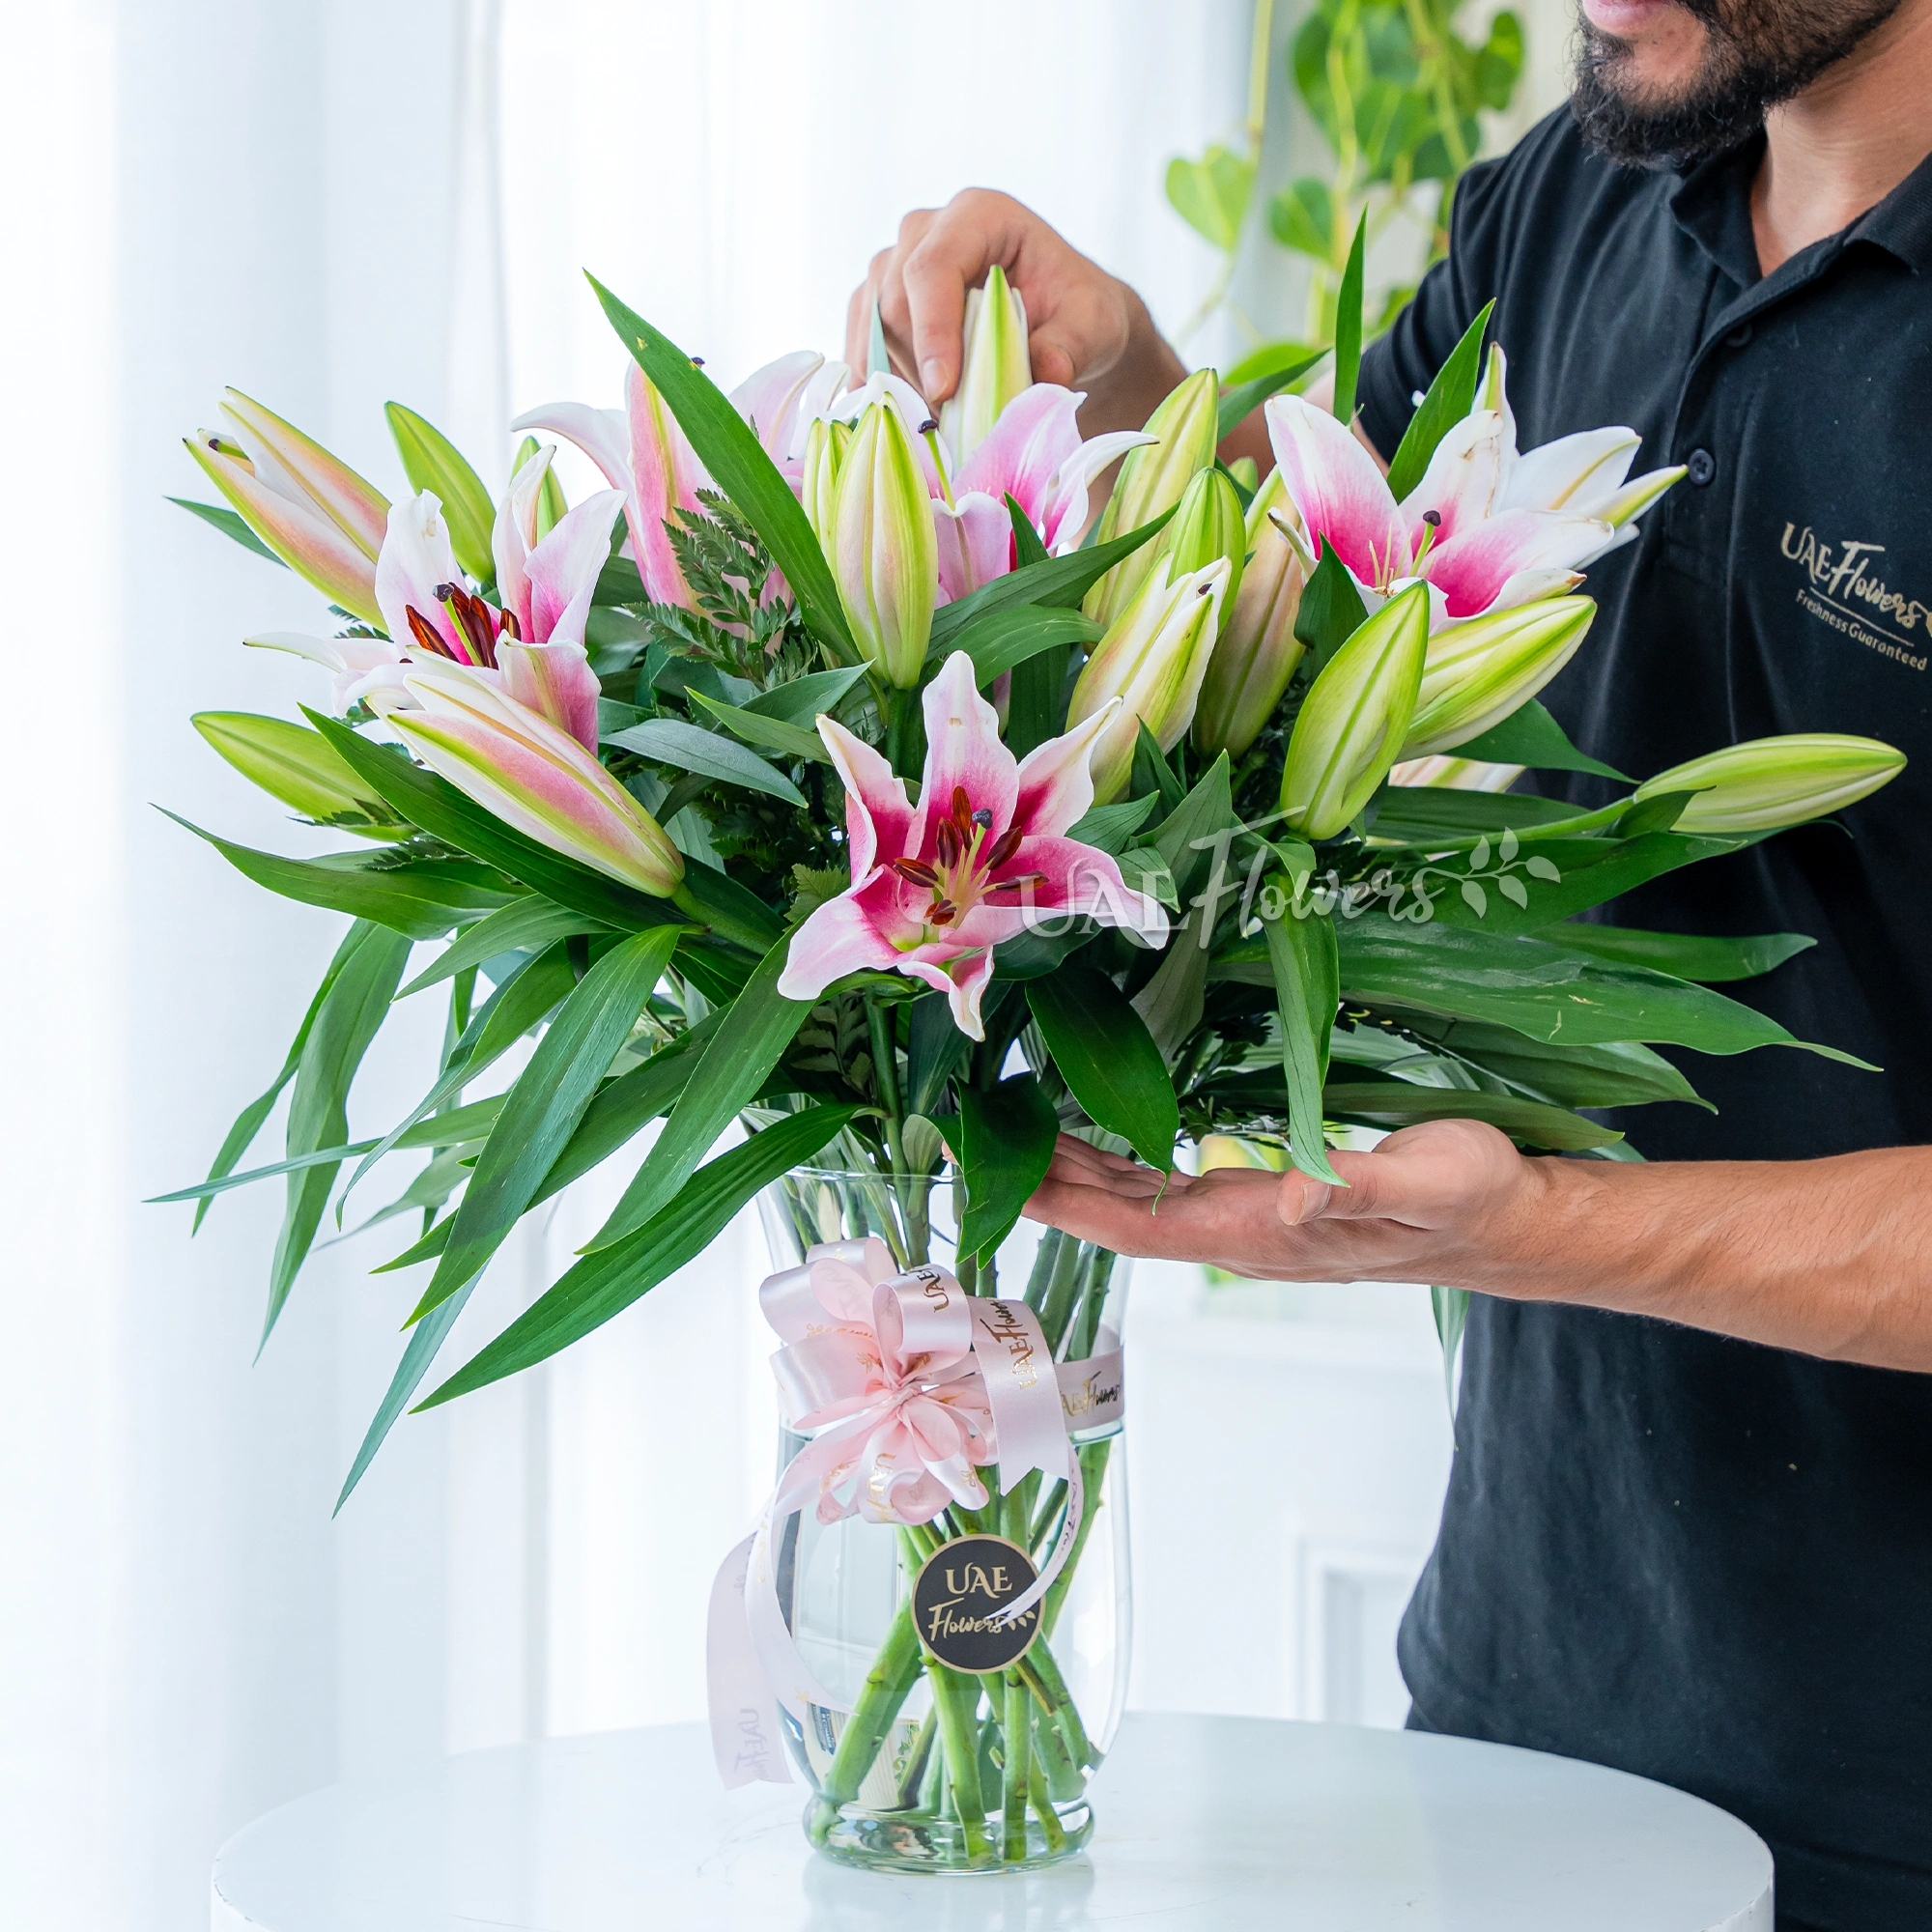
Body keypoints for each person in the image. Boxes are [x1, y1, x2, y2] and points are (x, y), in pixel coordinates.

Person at [850, 4, 1932, 1927]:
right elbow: (1303, 583)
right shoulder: (1586, 191)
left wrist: (1518, 1228)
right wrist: (1118, 385)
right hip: (1518, 1708)